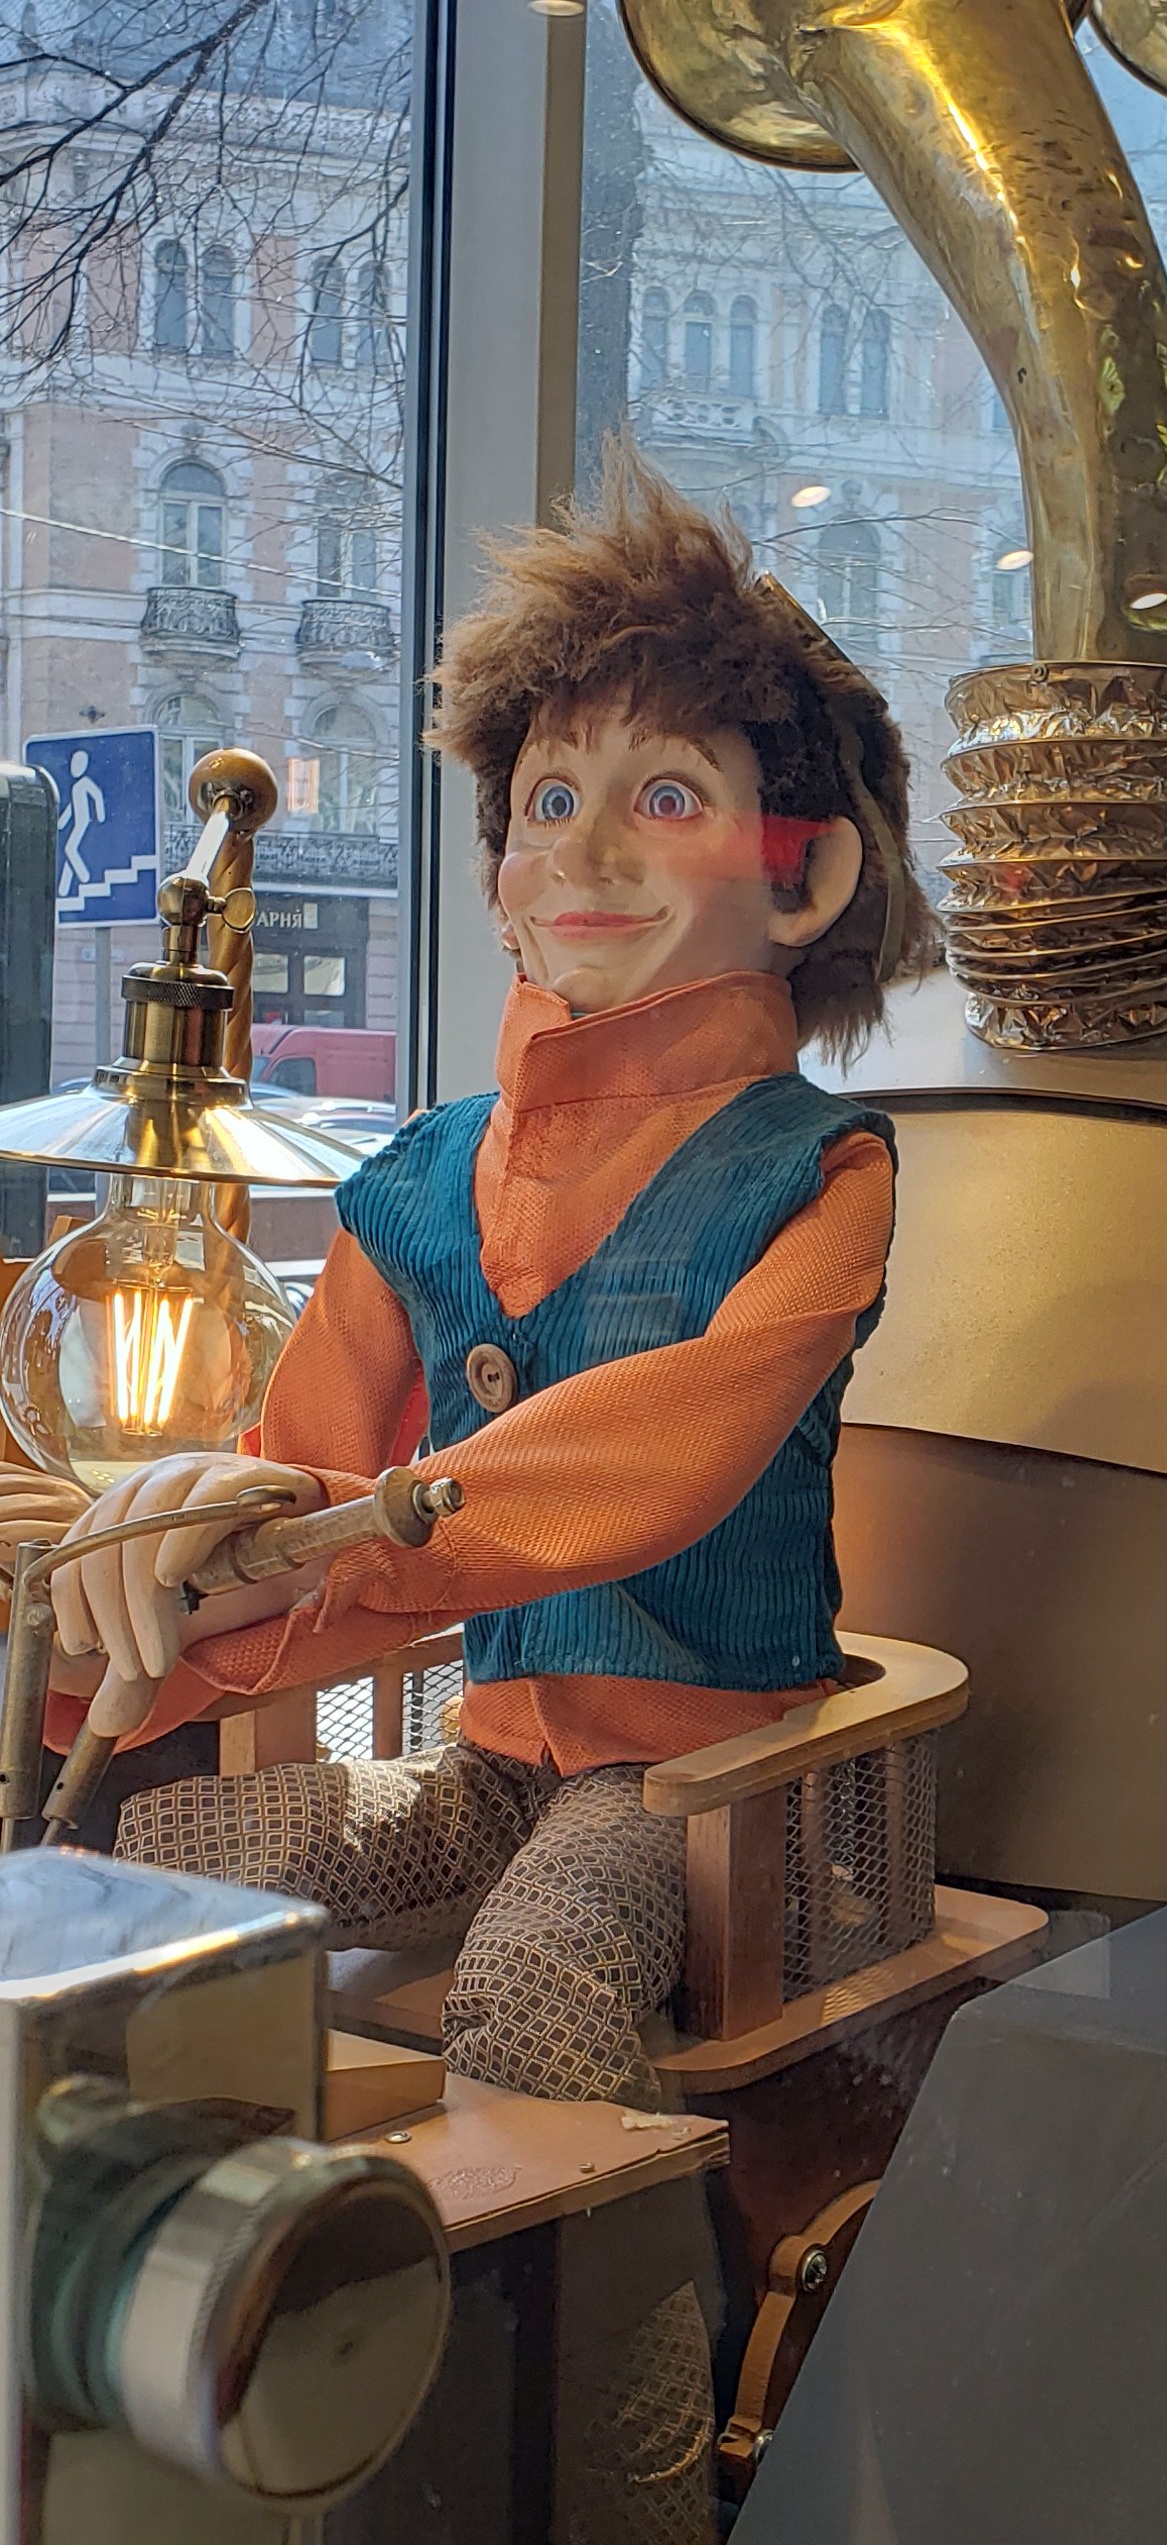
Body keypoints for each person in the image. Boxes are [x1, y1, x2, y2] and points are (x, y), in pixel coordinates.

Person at [8, 447, 935, 2095]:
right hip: (486, 1758)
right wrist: (173, 1566)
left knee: (538, 1992)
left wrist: (315, 1537)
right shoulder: (424, 1175)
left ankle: (597, 2279)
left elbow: (653, 1455)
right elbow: (305, 1467)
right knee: (144, 1871)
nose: (582, 856)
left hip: (708, 1787)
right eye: (547, 806)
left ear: (804, 879)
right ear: (499, 881)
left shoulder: (817, 1170)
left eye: (668, 799)